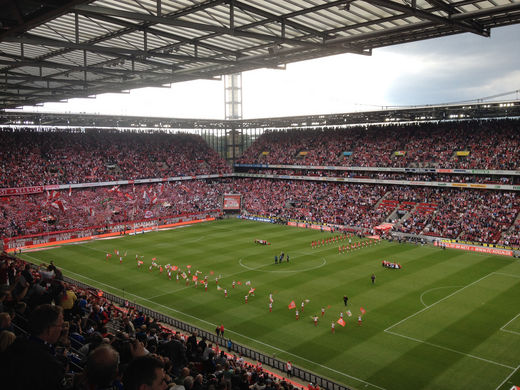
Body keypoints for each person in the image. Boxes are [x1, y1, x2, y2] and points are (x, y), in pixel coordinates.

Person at [2, 304, 67, 390]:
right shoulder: (52, 366)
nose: (62, 329)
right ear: (49, 330)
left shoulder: (17, 343)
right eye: (61, 325)